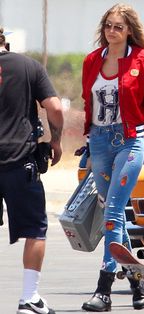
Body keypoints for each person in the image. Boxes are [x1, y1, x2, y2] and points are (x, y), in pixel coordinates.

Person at [80, 3, 144, 312]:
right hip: (99, 141)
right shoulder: (92, 61)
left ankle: (104, 289)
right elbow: (88, 103)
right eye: (108, 25)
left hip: (130, 141)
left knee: (112, 210)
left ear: (129, 31)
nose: (112, 31)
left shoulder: (142, 60)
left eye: (118, 26)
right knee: (116, 216)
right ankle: (137, 283)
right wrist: (87, 145)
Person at [0, 28, 64, 314]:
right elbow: (55, 107)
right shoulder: (28, 67)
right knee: (35, 230)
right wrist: (56, 141)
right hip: (19, 161)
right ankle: (29, 298)